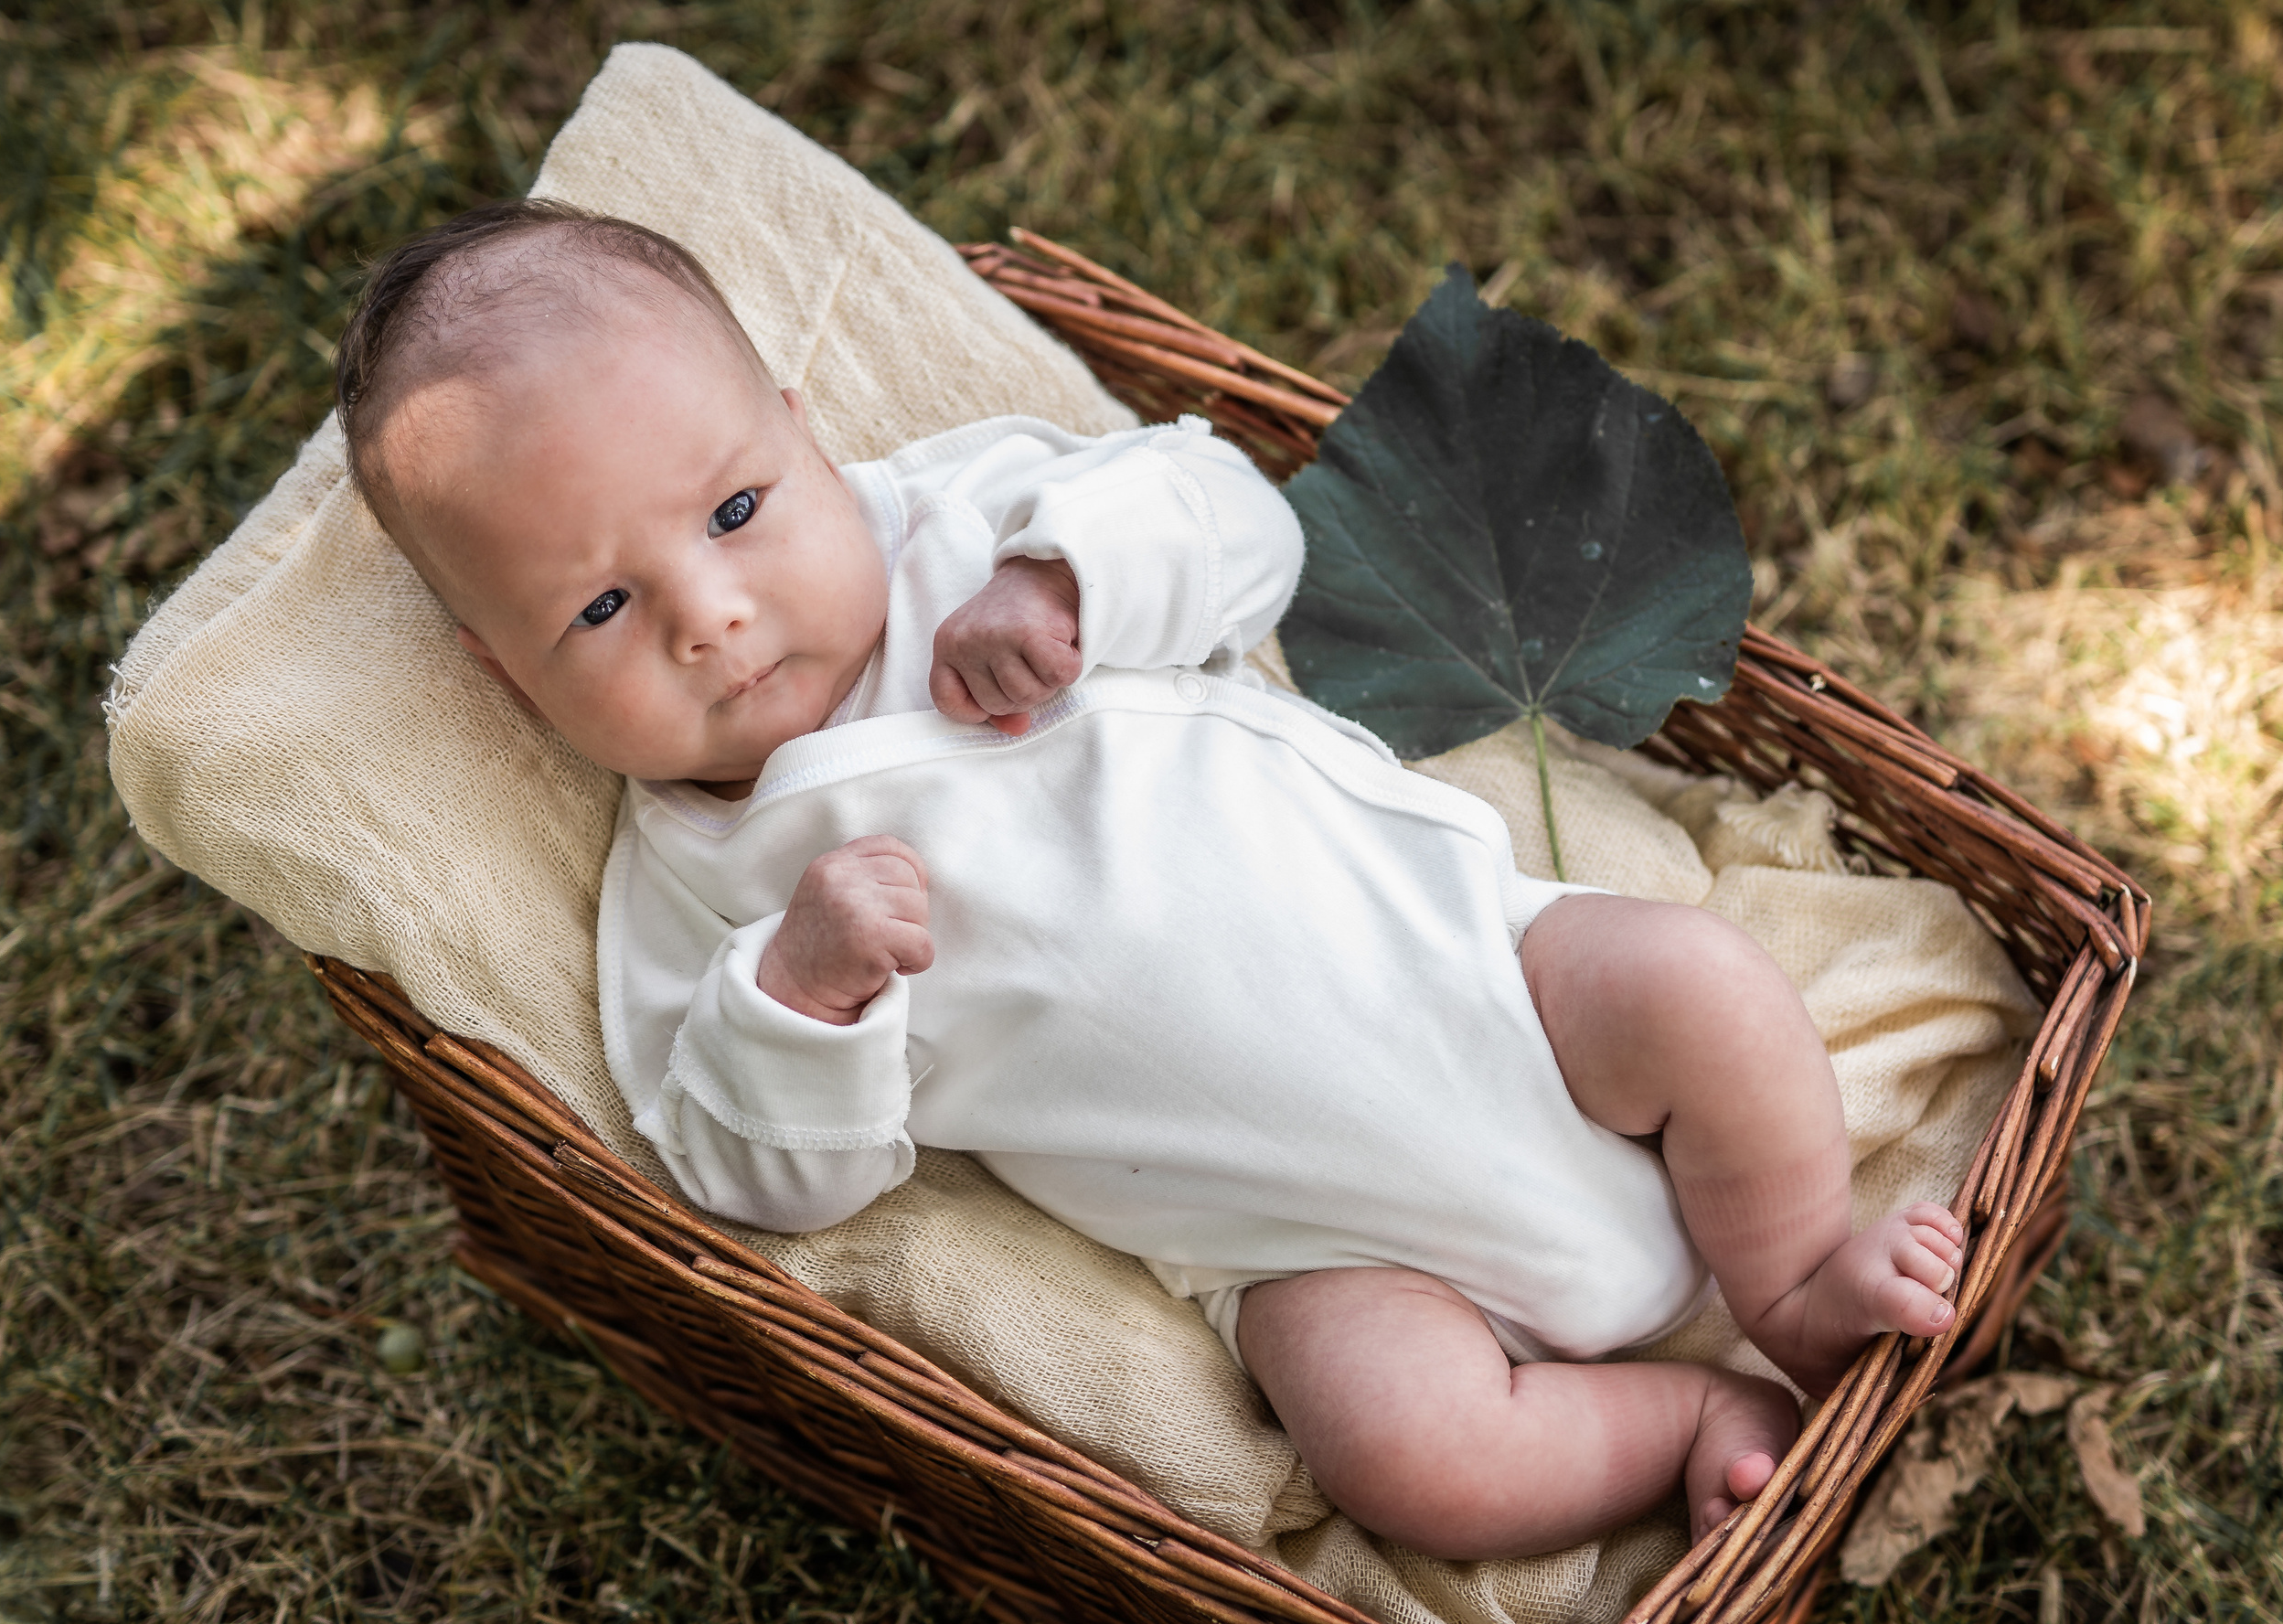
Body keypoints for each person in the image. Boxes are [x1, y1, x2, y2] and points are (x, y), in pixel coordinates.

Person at [333, 198, 1968, 1559]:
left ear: (807, 439)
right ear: (502, 674)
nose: (711, 613)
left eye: (739, 510)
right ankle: (1687, 1414)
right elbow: (736, 1169)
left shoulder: (970, 528)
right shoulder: (692, 891)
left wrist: (1072, 576)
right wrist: (804, 996)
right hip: (1300, 1247)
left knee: (1707, 990)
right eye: (600, 613)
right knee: (1417, 1467)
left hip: (1490, 980)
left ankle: (1800, 1275)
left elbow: (1236, 514)